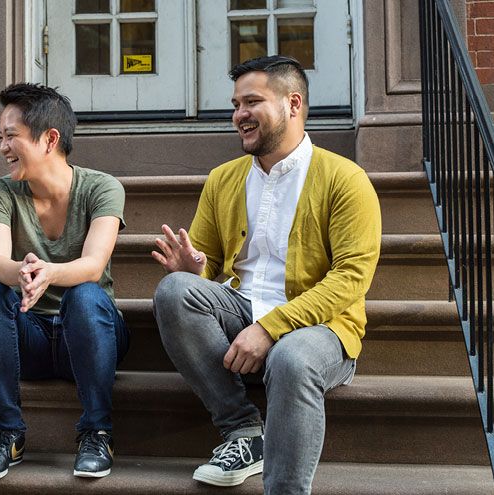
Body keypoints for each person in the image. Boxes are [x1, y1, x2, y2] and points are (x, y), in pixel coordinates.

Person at [151, 56, 381, 494]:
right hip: (242, 308)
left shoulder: (345, 180)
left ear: (293, 104)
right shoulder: (223, 179)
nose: (239, 115)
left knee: (291, 358)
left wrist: (270, 329)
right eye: (236, 104)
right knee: (174, 292)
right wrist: (196, 271)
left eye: (252, 101)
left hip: (321, 327)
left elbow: (350, 277)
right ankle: (242, 431)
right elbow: (212, 266)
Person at [0, 83, 129, 480]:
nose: (3, 147)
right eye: (0, 137)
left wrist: (51, 272)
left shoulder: (102, 187)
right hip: (31, 337)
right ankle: (8, 431)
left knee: (86, 296)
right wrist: (22, 272)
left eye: (11, 136)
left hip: (91, 335)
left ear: (49, 139)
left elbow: (92, 264)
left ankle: (97, 432)